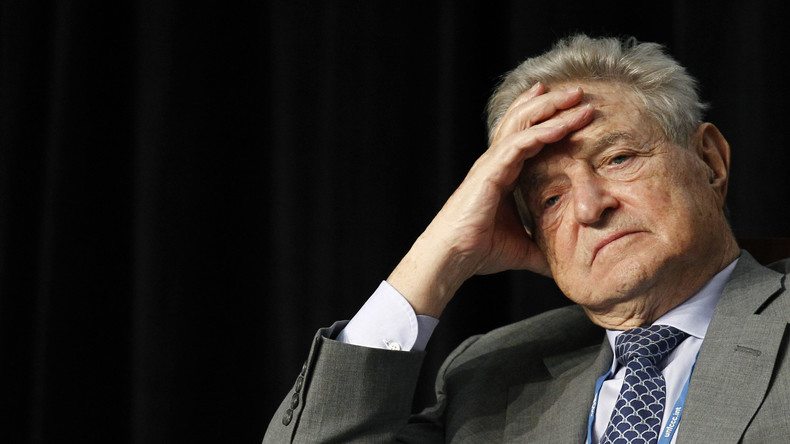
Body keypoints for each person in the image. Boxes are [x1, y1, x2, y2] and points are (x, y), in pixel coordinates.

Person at [264, 35, 790, 443]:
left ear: (709, 162)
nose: (589, 207)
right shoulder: (491, 377)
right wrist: (441, 253)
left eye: (618, 158)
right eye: (551, 199)